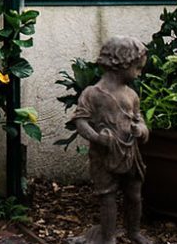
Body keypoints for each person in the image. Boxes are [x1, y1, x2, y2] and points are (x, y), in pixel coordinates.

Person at [70, 35, 153, 244]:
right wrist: (97, 137)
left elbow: (139, 119)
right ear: (121, 63)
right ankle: (108, 238)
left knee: (134, 194)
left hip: (129, 154)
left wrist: (141, 130)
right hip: (104, 156)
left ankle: (133, 232)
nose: (139, 73)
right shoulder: (92, 93)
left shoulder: (132, 95)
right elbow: (80, 121)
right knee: (107, 197)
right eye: (137, 68)